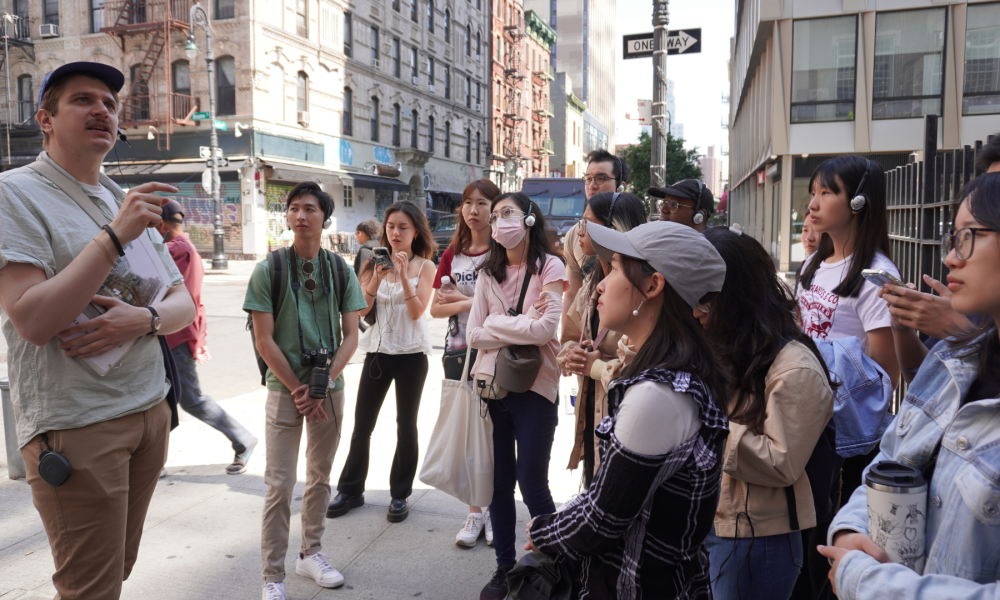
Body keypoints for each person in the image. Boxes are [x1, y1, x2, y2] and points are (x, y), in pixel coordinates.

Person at [0, 62, 195, 599]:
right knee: (90, 588)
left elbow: (182, 302)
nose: (102, 111)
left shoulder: (116, 196)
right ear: (45, 119)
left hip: (149, 411)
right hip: (80, 425)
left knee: (116, 569)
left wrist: (145, 320)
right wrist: (114, 237)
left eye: (109, 103)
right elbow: (33, 319)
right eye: (83, 100)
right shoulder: (13, 194)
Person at [817, 172, 1000, 600]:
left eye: (970, 236)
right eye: (952, 239)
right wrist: (849, 534)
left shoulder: (878, 270)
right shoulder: (956, 358)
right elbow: (890, 462)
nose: (952, 258)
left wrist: (868, 582)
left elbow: (883, 377)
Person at [526, 220, 730, 598]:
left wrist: (542, 531)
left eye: (617, 266)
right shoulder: (670, 372)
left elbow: (603, 519)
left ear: (653, 286)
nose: (601, 283)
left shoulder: (657, 394)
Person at [244, 182, 367, 600]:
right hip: (284, 390)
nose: (300, 215)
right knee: (279, 484)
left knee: (319, 479)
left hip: (330, 389)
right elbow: (264, 340)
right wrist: (301, 389)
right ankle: (271, 576)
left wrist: (324, 382)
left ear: (324, 217)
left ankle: (310, 552)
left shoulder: (339, 269)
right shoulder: (269, 269)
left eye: (310, 208)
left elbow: (352, 336)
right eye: (294, 208)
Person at [699, 226, 836, 600]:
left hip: (759, 538)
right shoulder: (723, 342)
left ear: (734, 297)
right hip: (714, 520)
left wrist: (703, 426)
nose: (696, 308)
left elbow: (781, 461)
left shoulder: (795, 367)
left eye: (705, 297)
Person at [793, 154, 900, 600]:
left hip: (844, 436)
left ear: (857, 201)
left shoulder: (876, 275)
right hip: (805, 415)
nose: (813, 204)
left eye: (826, 192)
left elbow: (884, 371)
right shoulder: (814, 263)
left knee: (824, 532)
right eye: (813, 192)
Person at [467, 192, 567, 600]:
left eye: (506, 212)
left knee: (532, 481)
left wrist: (498, 321)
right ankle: (505, 568)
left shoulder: (551, 266)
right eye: (495, 216)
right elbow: (473, 334)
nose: (498, 221)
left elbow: (547, 331)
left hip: (538, 388)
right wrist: (521, 321)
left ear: (528, 218)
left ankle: (555, 565)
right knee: (500, 483)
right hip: (495, 388)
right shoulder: (487, 272)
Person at [327, 200, 437, 523]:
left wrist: (403, 276)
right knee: (362, 425)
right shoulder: (374, 261)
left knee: (406, 426)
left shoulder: (425, 266)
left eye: (403, 227)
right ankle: (350, 489)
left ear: (416, 231)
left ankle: (400, 494)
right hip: (377, 353)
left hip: (411, 356)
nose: (395, 233)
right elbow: (363, 311)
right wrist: (376, 276)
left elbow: (418, 313)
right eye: (391, 227)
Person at [156, 199, 257, 475]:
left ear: (161, 224)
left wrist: (197, 340)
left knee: (189, 399)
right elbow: (196, 302)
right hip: (171, 336)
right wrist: (200, 339)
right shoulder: (182, 249)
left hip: (173, 337)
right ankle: (154, 461)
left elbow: (186, 300)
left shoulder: (174, 251)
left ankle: (243, 438)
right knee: (161, 399)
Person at [557, 191, 647, 488]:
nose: (579, 231)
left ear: (612, 229)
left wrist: (596, 367)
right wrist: (571, 354)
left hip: (627, 416)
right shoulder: (592, 281)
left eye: (587, 223)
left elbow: (649, 362)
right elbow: (569, 335)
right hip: (592, 407)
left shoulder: (643, 287)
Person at [428, 178, 499, 547]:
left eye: (482, 203)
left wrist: (466, 297)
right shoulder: (452, 253)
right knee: (471, 437)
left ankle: (495, 512)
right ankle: (475, 513)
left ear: (495, 208)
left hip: (499, 355)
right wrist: (474, 302)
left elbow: (508, 307)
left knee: (496, 437)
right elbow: (436, 307)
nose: (473, 210)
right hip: (459, 353)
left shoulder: (505, 250)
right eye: (467, 203)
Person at [561, 149, 628, 328]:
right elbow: (571, 293)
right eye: (588, 179)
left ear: (620, 186)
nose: (592, 185)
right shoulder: (574, 235)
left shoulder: (632, 231)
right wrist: (565, 344)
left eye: (601, 178)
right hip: (587, 328)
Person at [651, 178, 715, 231]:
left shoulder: (713, 245)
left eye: (673, 205)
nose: (663, 209)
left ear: (699, 216)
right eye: (664, 203)